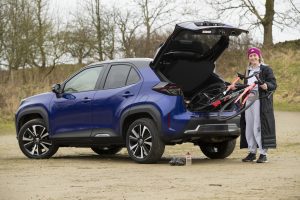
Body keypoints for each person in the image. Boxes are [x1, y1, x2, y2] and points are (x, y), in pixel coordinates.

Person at [239, 47, 277, 163]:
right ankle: (252, 152)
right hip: (249, 101)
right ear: (248, 58)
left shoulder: (266, 69)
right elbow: (246, 87)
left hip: (260, 101)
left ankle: (263, 153)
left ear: (259, 56)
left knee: (258, 126)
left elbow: (273, 84)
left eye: (255, 55)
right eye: (251, 56)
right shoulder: (248, 71)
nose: (253, 57)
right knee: (249, 126)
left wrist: (266, 86)